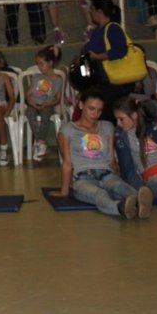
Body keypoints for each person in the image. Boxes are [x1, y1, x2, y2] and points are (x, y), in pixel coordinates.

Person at [51, 89, 142, 219]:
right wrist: (64, 191)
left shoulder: (107, 126)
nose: (95, 114)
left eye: (99, 110)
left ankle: (140, 202)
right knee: (100, 194)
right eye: (91, 109)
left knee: (124, 189)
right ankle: (120, 208)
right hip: (83, 178)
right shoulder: (68, 129)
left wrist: (117, 175)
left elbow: (111, 157)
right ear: (81, 105)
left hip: (107, 174)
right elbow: (67, 163)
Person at [114, 97, 157, 216]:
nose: (118, 123)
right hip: (153, 179)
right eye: (116, 119)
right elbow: (127, 168)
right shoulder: (121, 135)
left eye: (121, 119)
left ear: (135, 115)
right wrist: (139, 191)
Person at [85, 0, 141, 120]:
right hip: (103, 82)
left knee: (105, 114)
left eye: (92, 9)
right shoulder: (98, 31)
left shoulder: (113, 29)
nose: (90, 12)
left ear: (99, 11)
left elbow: (120, 50)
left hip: (114, 83)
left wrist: (98, 57)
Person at [24, 46, 64, 162]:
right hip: (34, 103)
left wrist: (49, 103)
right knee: (30, 113)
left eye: (42, 64)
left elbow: (58, 98)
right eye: (38, 64)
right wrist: (30, 100)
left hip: (47, 105)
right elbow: (29, 93)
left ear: (50, 63)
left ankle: (39, 142)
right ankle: (41, 142)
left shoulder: (57, 80)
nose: (39, 67)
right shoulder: (37, 77)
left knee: (46, 115)